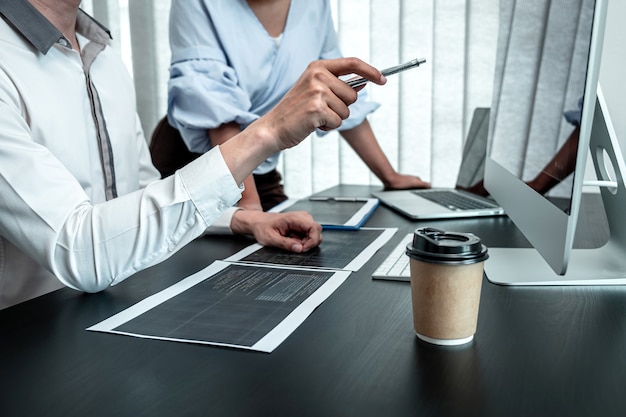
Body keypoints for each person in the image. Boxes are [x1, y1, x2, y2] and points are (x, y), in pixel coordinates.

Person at [0, 0, 386, 310]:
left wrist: (242, 220)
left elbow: (145, 192)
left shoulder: (103, 56)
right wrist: (267, 132)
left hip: (110, 308)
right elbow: (81, 252)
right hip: (30, 334)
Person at [167, 0, 430, 211]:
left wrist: (390, 177)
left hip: (259, 170)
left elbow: (335, 87)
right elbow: (216, 108)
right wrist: (250, 209)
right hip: (199, 168)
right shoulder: (196, 4)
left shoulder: (314, 5)